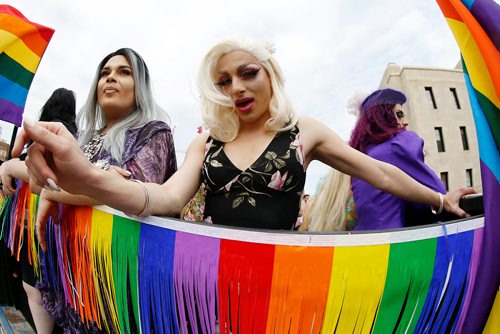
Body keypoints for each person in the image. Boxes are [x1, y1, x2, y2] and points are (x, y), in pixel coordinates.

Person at [15, 39, 473, 238]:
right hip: (210, 277)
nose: (236, 88)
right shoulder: (207, 142)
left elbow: (380, 172)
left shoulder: (304, 131)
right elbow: (165, 197)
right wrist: (84, 175)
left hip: (283, 280)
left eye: (247, 74)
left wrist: (439, 200)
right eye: (225, 80)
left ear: (270, 75)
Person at [30, 48, 177, 333]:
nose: (110, 79)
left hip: (114, 279)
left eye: (124, 72)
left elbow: (131, 191)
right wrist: (96, 178)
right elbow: (39, 181)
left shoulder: (153, 132)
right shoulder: (82, 137)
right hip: (70, 268)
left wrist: (55, 191)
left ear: (141, 87)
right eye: (105, 73)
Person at [0, 87, 78, 334]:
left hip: (31, 216)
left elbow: (34, 173)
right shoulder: (73, 135)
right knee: (50, 282)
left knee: (32, 285)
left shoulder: (42, 132)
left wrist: (11, 166)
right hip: (61, 223)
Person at [349, 88, 457, 230]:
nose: (405, 122)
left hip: (364, 242)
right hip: (394, 244)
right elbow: (438, 190)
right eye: (399, 115)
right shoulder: (399, 144)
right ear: (381, 117)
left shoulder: (363, 156)